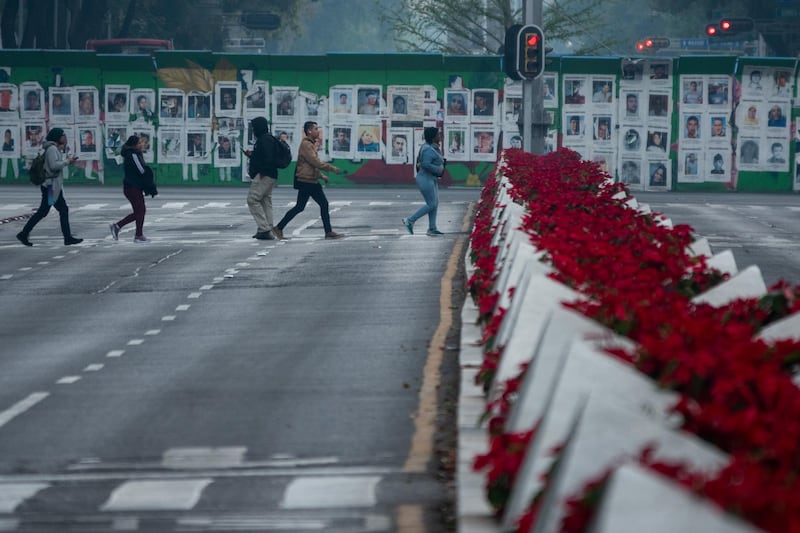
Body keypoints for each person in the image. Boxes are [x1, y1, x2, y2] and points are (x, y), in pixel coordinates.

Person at [274, 121, 344, 240]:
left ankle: (279, 228)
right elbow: (315, 162)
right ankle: (328, 231)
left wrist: (322, 176)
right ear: (309, 131)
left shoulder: (310, 144)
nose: (318, 131)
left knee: (301, 207)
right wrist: (332, 168)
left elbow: (311, 165)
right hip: (307, 181)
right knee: (321, 204)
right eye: (316, 129)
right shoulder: (306, 145)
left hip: (309, 180)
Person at [16, 127, 81, 246]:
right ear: (57, 137)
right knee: (50, 210)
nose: (64, 137)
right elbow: (54, 166)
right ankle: (24, 233)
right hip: (51, 187)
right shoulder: (51, 149)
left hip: (52, 186)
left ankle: (25, 233)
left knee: (54, 210)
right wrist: (67, 162)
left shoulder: (53, 148)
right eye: (62, 135)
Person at [109, 135, 157, 243]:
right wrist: (149, 174)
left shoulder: (135, 154)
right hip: (132, 187)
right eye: (140, 143)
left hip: (134, 186)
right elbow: (141, 170)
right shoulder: (133, 155)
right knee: (140, 211)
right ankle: (136, 234)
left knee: (140, 211)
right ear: (134, 145)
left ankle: (121, 227)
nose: (142, 145)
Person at [402, 126, 445, 236]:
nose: (440, 136)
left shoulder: (432, 147)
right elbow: (425, 164)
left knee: (435, 203)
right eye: (438, 134)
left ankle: (432, 228)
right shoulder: (427, 149)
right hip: (425, 179)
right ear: (433, 137)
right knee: (431, 204)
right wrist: (438, 169)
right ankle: (410, 220)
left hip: (431, 178)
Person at [244, 117, 282, 240]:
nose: (253, 131)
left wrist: (263, 172)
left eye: (254, 128)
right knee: (265, 201)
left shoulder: (264, 140)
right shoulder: (267, 138)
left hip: (264, 175)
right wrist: (252, 155)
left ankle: (264, 228)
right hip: (270, 174)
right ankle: (267, 227)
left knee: (252, 199)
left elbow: (268, 158)